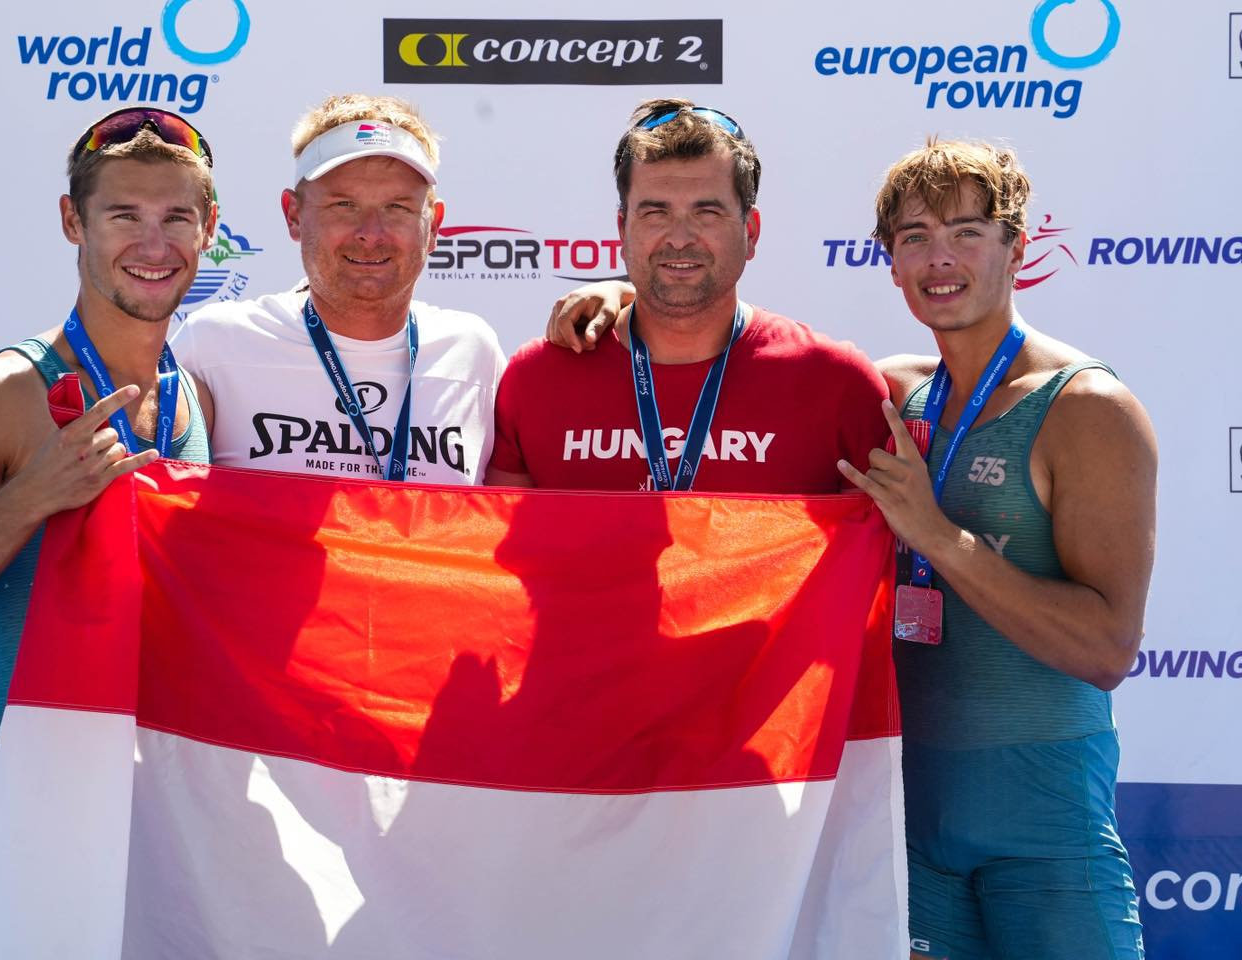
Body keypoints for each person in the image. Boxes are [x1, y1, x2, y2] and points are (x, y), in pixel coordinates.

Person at [0, 107, 219, 956]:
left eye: (176, 217)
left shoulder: (197, 396)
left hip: (165, 827)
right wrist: (33, 496)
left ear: (209, 230)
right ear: (72, 221)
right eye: (123, 215)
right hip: (20, 820)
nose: (154, 244)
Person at [838, 139, 1154, 959]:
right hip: (911, 812)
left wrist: (939, 537)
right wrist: (625, 304)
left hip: (1044, 821)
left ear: (1017, 248)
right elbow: (746, 371)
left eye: (967, 233)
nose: (939, 259)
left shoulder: (1087, 407)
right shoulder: (888, 392)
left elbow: (1108, 648)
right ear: (891, 263)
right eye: (914, 237)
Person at [487, 98, 887, 492]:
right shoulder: (537, 381)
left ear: (750, 232)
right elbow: (493, 534)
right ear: (623, 231)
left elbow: (877, 536)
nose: (679, 239)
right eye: (655, 213)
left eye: (706, 213)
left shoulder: (837, 384)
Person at [169, 94, 505, 485]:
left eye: (397, 207)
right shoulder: (215, 344)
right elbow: (152, 498)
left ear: (433, 225)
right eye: (344, 205)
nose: (371, 234)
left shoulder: (474, 354)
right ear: (294, 215)